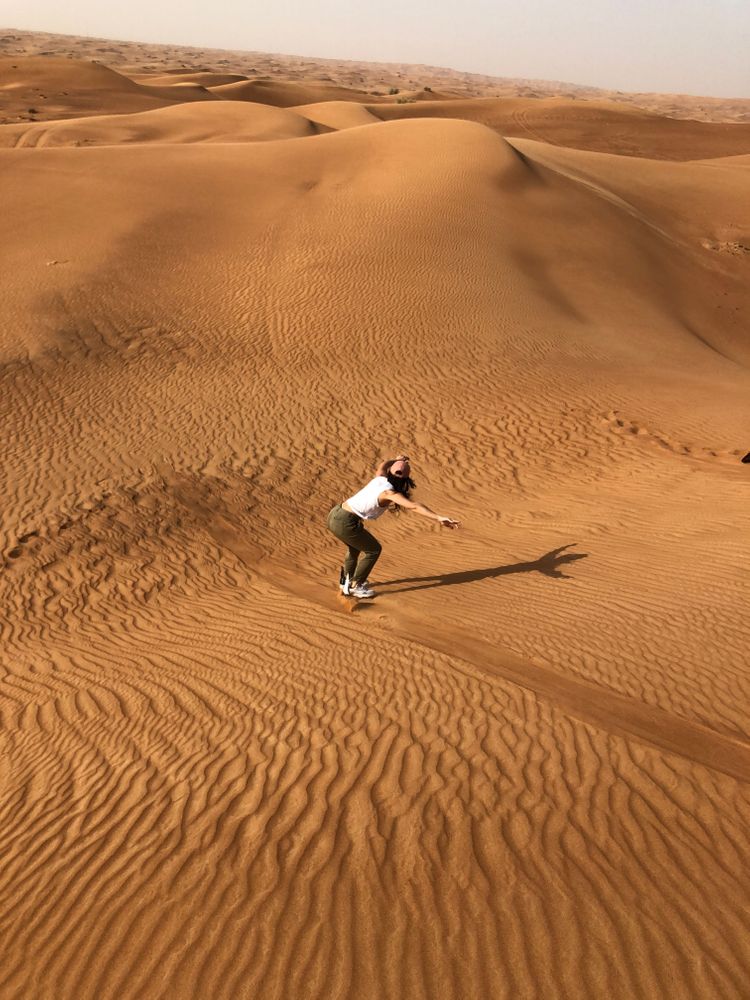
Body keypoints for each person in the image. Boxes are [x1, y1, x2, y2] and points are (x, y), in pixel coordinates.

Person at [326, 455, 461, 599]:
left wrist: (397, 460)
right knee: (373, 550)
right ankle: (355, 585)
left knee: (355, 548)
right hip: (346, 522)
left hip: (335, 514)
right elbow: (414, 506)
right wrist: (438, 517)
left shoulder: (380, 478)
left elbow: (383, 465)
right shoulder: (389, 493)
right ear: (405, 481)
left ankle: (345, 582)